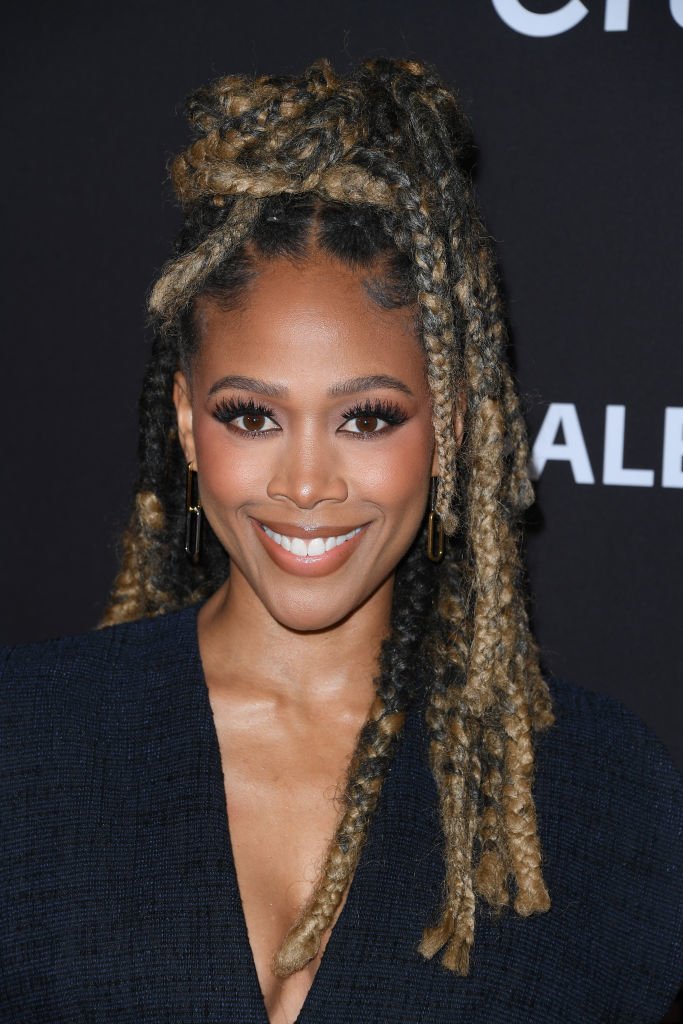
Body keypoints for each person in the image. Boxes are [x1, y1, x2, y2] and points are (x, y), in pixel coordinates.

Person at [1, 58, 680, 1024]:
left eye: (366, 418)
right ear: (189, 424)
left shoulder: (601, 799)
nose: (308, 485)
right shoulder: (25, 742)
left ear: (448, 428)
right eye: (251, 417)